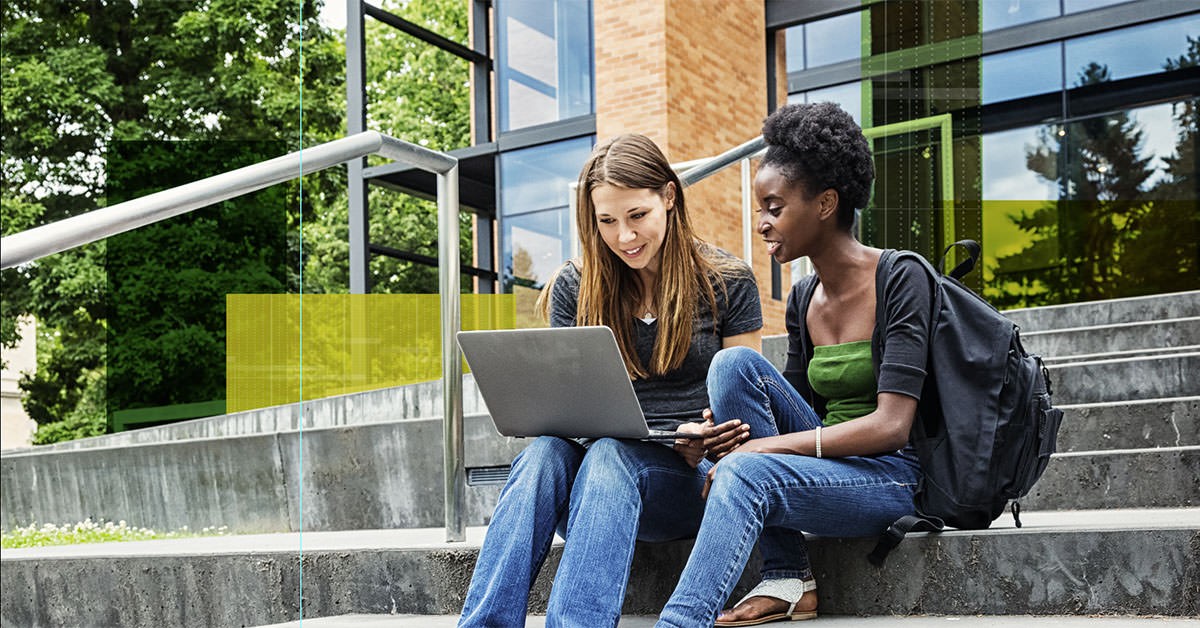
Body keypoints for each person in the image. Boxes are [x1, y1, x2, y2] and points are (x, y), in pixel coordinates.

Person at [458, 133, 763, 628]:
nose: (624, 237)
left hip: (684, 485)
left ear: (668, 195)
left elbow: (745, 415)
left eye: (637, 215)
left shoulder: (727, 280)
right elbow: (568, 410)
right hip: (594, 490)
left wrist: (703, 440)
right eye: (607, 221)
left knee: (609, 454)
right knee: (543, 454)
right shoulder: (575, 286)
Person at [655, 102, 933, 627]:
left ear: (825, 203)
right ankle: (788, 577)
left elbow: (893, 426)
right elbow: (787, 412)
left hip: (893, 475)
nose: (761, 224)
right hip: (830, 458)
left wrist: (759, 452)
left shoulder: (901, 278)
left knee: (747, 468)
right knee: (733, 365)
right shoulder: (804, 298)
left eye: (774, 207)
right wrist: (716, 442)